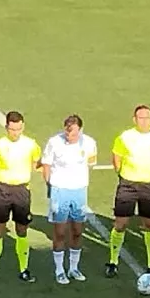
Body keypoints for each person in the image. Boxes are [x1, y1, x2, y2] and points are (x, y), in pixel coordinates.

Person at [106, 104, 150, 277]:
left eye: (147, 117)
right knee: (121, 223)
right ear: (134, 120)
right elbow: (116, 158)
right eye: (141, 117)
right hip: (128, 185)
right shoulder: (125, 137)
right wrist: (124, 176)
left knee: (149, 224)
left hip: (149, 186)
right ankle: (113, 261)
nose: (144, 120)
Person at [0, 110, 43, 284]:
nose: (15, 133)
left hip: (22, 190)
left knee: (22, 230)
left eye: (18, 129)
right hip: (2, 190)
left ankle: (24, 269)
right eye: (12, 129)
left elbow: (37, 162)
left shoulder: (31, 144)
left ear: (22, 127)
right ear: (7, 127)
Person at [41, 114, 97, 284]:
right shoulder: (54, 142)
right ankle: (59, 269)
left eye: (73, 133)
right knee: (59, 232)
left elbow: (91, 163)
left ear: (80, 130)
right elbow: (46, 164)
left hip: (79, 191)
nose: (69, 136)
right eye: (67, 132)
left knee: (78, 231)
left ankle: (73, 268)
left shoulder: (89, 143)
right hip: (60, 191)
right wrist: (50, 186)